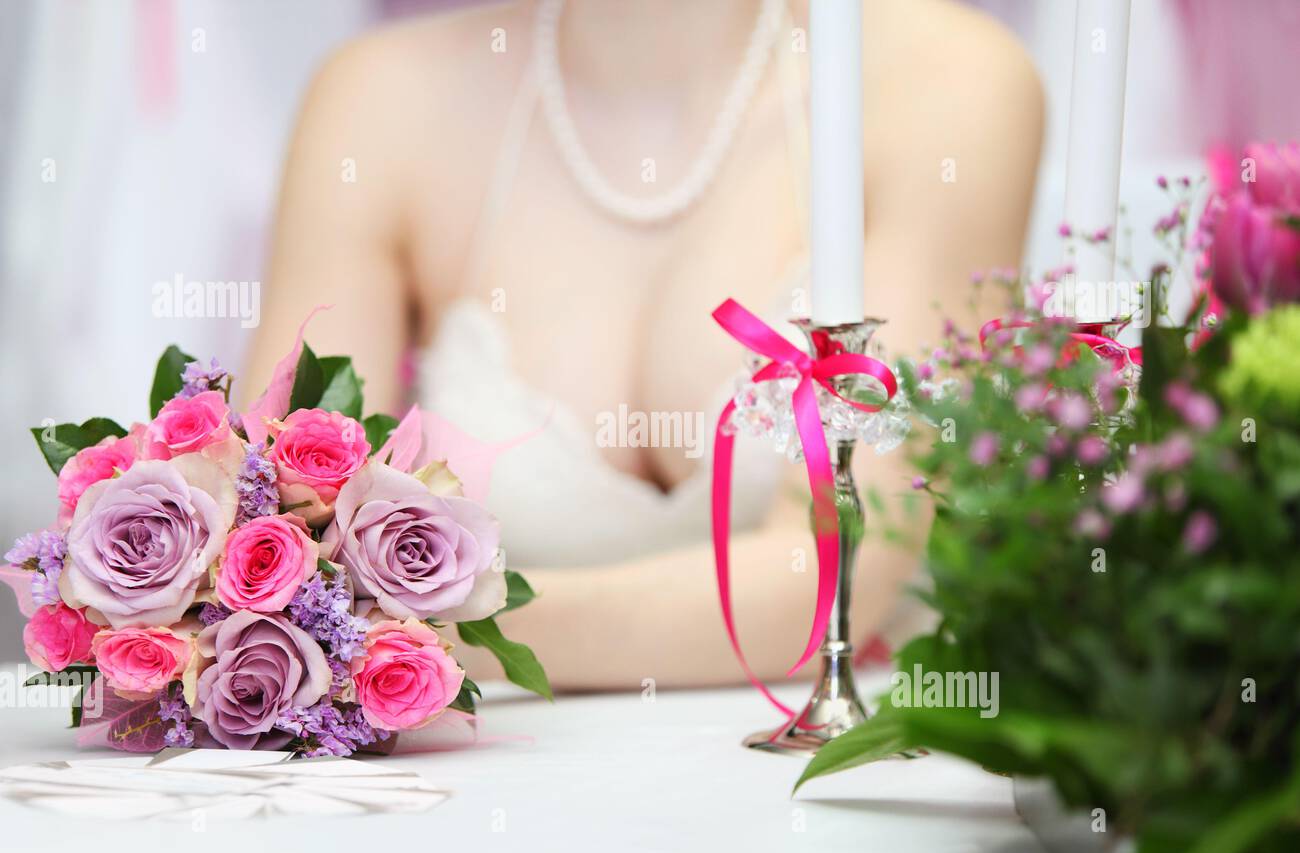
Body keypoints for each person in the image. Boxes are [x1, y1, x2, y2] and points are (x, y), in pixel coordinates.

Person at [242, 0, 1043, 691]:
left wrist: (421, 642)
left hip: (849, 792)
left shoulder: (951, 87)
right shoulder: (376, 103)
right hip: (502, 803)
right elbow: (262, 537)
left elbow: (842, 573)